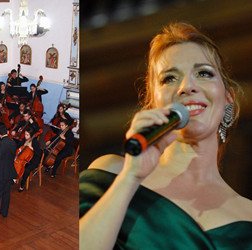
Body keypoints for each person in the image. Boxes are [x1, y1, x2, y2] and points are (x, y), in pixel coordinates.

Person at [79, 22, 252, 249]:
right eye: (169, 78)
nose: (186, 86)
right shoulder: (112, 174)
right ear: (153, 104)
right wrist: (130, 178)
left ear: (227, 100)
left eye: (203, 73)